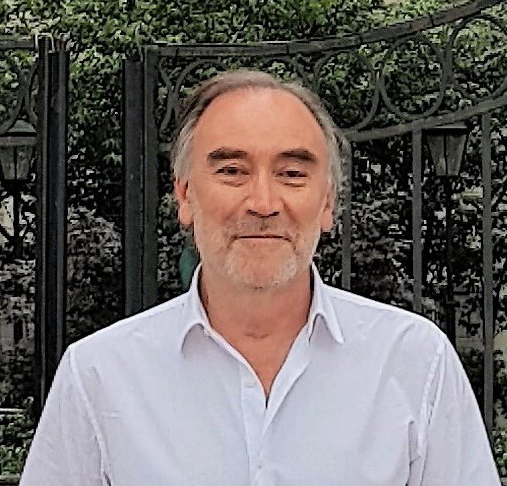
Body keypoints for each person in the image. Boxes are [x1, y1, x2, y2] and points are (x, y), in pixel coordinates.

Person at [20, 70, 501, 486]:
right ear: (185, 196)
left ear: (328, 202)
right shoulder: (99, 376)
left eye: (292, 173)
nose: (264, 203)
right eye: (232, 170)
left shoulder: (416, 363)